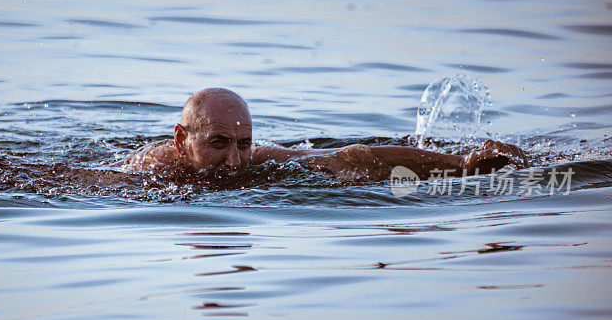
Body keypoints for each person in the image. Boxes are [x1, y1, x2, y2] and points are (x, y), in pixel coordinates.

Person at [116, 87, 529, 182]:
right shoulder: (150, 173)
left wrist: (463, 164)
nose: (236, 161)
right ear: (181, 140)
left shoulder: (258, 160)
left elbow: (352, 157)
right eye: (219, 144)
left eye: (244, 144)